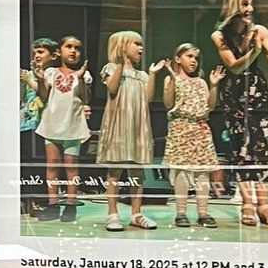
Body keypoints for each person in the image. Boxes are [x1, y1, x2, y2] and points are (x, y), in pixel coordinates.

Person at [211, 0, 268, 227]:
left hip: (257, 93)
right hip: (234, 96)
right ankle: (247, 204)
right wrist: (254, 51)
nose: (250, 9)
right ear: (233, 8)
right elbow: (234, 67)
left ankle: (265, 205)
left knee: (261, 150)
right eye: (244, 4)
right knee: (240, 150)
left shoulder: (260, 31)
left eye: (251, 4)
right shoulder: (219, 36)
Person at [96, 31, 165, 232]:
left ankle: (136, 213)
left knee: (137, 171)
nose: (141, 48)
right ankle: (113, 213)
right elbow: (112, 89)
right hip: (119, 125)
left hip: (137, 126)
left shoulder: (141, 75)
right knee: (115, 170)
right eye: (137, 44)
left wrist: (152, 75)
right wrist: (120, 62)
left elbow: (149, 98)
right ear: (123, 46)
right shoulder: (111, 68)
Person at [161, 44, 224, 228]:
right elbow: (167, 103)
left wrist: (213, 85)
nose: (194, 60)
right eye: (189, 56)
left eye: (196, 57)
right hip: (180, 127)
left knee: (202, 172)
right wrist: (172, 80)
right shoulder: (170, 80)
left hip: (200, 128)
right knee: (181, 171)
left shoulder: (201, 82)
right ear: (178, 59)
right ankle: (181, 212)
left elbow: (210, 106)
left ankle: (202, 213)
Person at [34, 35, 91, 223]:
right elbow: (44, 96)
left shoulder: (83, 74)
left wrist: (81, 78)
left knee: (71, 167)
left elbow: (85, 98)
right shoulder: (51, 72)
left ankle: (70, 204)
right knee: (52, 166)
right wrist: (41, 79)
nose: (73, 51)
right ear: (59, 51)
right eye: (69, 46)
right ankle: (52, 205)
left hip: (72, 127)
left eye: (77, 48)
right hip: (51, 125)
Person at [19, 36, 58, 214]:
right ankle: (25, 198)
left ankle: (41, 198)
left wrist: (29, 80)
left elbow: (45, 96)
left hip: (46, 123)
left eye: (41, 52)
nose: (36, 55)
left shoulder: (53, 74)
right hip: (27, 123)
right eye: (35, 52)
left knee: (42, 161)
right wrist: (22, 81)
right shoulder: (27, 73)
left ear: (53, 55)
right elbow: (21, 99)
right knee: (25, 160)